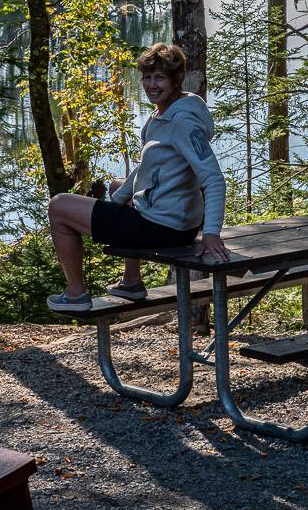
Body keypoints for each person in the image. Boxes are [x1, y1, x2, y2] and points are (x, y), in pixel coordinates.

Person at [46, 42, 229, 312]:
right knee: (117, 185)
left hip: (163, 226)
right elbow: (144, 168)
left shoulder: (182, 123)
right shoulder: (165, 113)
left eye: (160, 78)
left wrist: (212, 233)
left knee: (59, 206)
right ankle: (131, 281)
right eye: (147, 77)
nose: (151, 85)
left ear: (176, 79)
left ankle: (75, 295)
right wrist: (117, 201)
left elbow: (213, 179)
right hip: (177, 221)